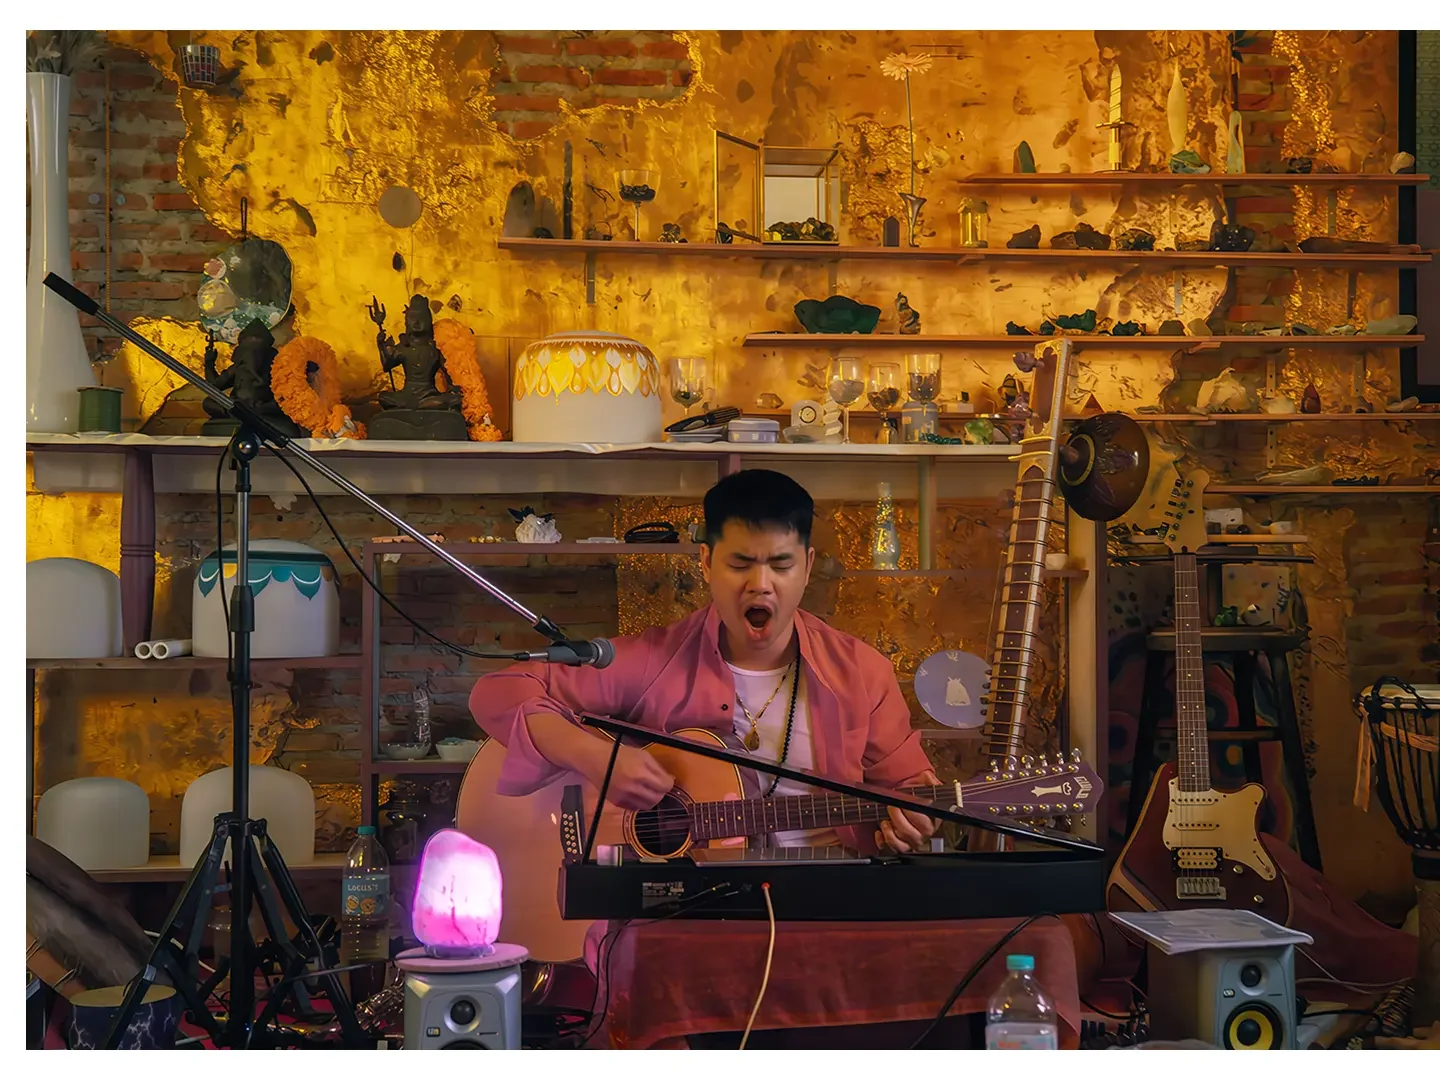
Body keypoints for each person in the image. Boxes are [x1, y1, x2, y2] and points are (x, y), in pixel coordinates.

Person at [468, 469, 940, 853]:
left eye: (781, 565)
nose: (761, 584)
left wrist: (911, 824)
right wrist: (597, 757)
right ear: (705, 562)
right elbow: (496, 693)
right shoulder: (655, 659)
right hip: (690, 907)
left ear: (809, 565)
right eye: (740, 565)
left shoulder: (861, 672)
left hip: (826, 899)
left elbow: (910, 787)